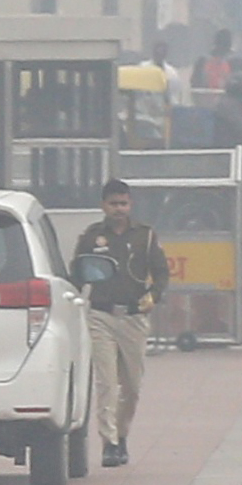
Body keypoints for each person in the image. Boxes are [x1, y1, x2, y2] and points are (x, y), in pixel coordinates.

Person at [71, 179, 166, 468]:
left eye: (123, 203)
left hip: (134, 317)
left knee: (132, 387)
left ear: (130, 204)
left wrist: (153, 296)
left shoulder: (144, 236)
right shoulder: (91, 237)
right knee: (106, 384)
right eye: (113, 204)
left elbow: (161, 273)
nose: (118, 209)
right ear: (103, 206)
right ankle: (109, 443)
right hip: (101, 315)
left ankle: (122, 435)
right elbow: (78, 274)